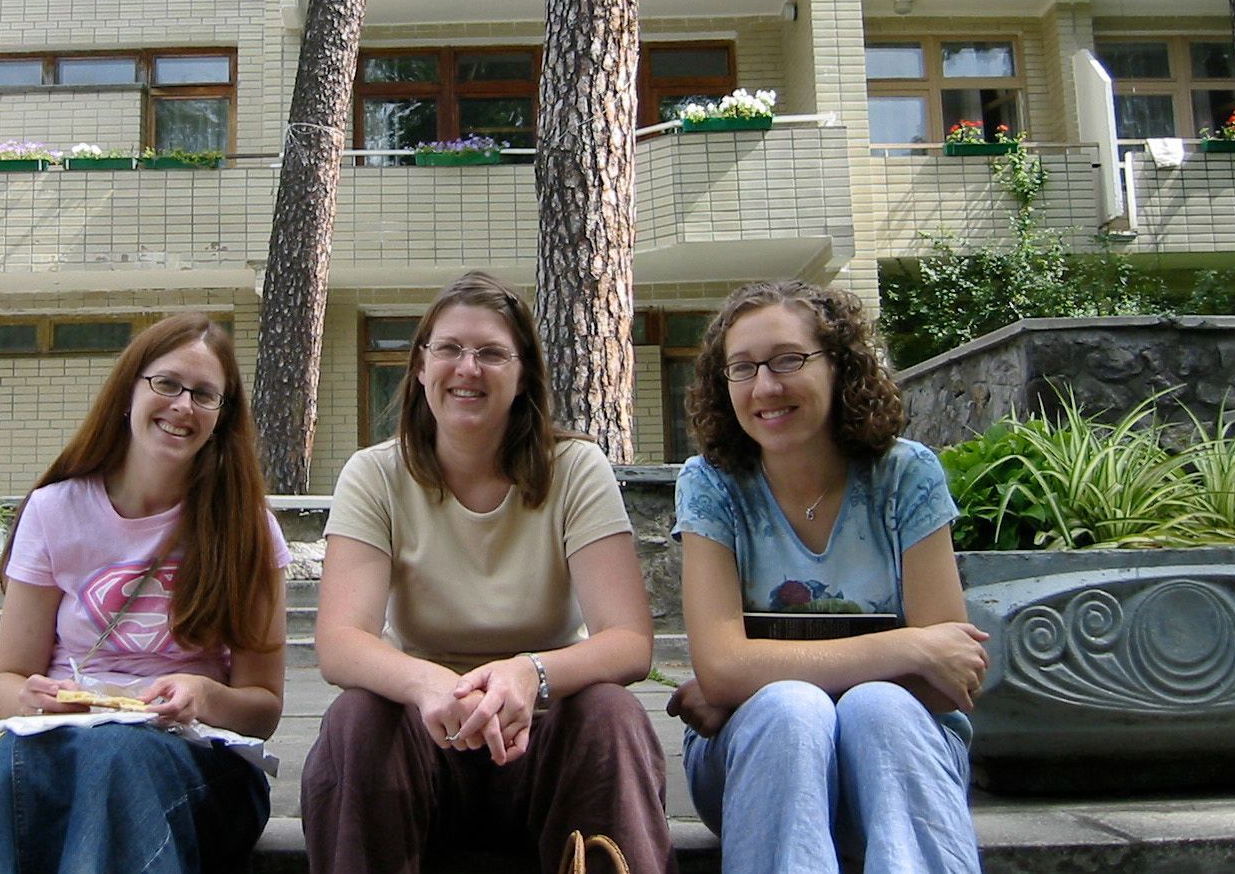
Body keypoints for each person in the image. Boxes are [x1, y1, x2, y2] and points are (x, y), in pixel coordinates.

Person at [302, 271, 676, 874]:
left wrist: (531, 674)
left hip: (547, 740)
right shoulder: (374, 475)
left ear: (523, 371)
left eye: (492, 353)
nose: (467, 369)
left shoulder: (575, 469)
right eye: (449, 349)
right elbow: (342, 642)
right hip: (426, 746)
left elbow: (629, 640)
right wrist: (429, 686)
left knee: (611, 713)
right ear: (421, 366)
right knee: (358, 717)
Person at [0, 313, 289, 874]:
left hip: (200, 764)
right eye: (167, 384)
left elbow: (263, 709)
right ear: (128, 390)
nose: (183, 406)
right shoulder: (55, 510)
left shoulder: (246, 527)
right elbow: (4, 680)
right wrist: (31, 701)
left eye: (205, 395)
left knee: (115, 754)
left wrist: (202, 694)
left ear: (223, 418)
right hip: (62, 744)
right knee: (13, 757)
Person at [666, 279, 988, 874]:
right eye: (742, 368)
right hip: (758, 763)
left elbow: (950, 682)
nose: (765, 386)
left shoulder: (906, 477)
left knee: (880, 708)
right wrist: (909, 646)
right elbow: (723, 667)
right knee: (791, 711)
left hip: (899, 762)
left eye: (788, 360)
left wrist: (751, 680)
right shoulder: (711, 484)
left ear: (840, 366)